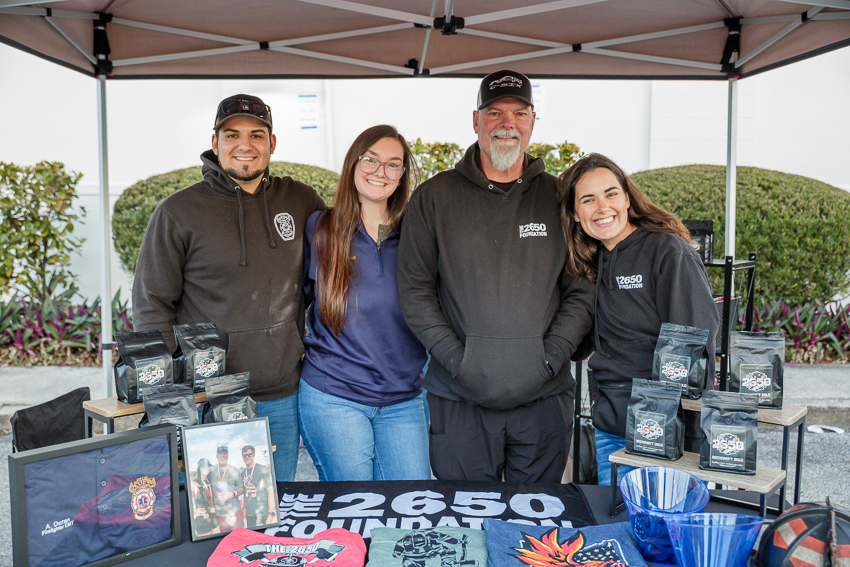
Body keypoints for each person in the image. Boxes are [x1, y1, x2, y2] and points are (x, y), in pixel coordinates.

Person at [397, 70, 595, 483]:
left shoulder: (559, 198)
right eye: (495, 113)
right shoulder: (434, 197)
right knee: (466, 528)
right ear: (476, 120)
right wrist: (457, 360)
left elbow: (581, 289)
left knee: (534, 528)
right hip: (459, 399)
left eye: (519, 113)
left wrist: (552, 355)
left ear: (532, 121)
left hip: (543, 399)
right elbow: (416, 292)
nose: (508, 123)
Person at [132, 94, 325, 482]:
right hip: (210, 396)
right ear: (215, 141)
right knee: (215, 508)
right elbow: (152, 304)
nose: (245, 145)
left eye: (257, 134)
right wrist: (174, 389)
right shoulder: (178, 211)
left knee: (275, 501)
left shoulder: (301, 200)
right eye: (232, 134)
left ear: (272, 143)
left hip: (282, 391)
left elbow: (327, 276)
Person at [557, 153, 719, 486]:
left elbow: (697, 343)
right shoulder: (591, 261)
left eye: (611, 194)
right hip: (610, 426)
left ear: (628, 198)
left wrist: (674, 424)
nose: (602, 207)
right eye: (588, 199)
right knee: (620, 528)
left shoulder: (667, 251)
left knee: (664, 532)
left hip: (663, 429)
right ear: (575, 214)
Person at [298, 125, 430, 481]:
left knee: (411, 506)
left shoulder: (416, 235)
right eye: (370, 159)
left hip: (404, 398)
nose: (379, 171)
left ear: (402, 175)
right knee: (354, 509)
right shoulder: (320, 229)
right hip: (334, 395)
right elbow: (298, 301)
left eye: (393, 164)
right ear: (353, 163)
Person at [240, 444, 277, 527]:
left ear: (254, 455)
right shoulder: (243, 473)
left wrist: (271, 513)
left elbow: (270, 492)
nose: (247, 457)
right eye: (244, 455)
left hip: (262, 512)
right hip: (250, 514)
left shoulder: (262, 469)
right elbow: (246, 492)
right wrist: (244, 508)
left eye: (249, 455)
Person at [212, 445, 243, 531]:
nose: (223, 455)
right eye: (220, 453)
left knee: (240, 536)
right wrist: (192, 482)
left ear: (228, 455)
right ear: (217, 456)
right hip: (220, 512)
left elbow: (242, 488)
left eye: (225, 453)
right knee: (223, 539)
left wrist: (232, 493)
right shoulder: (211, 470)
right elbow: (199, 477)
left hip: (234, 510)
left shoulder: (235, 470)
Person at [190, 458, 221, 537]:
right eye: (203, 467)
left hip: (213, 517)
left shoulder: (210, 480)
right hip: (202, 519)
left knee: (217, 540)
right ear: (200, 468)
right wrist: (194, 514)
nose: (206, 469)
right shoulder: (195, 482)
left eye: (208, 466)